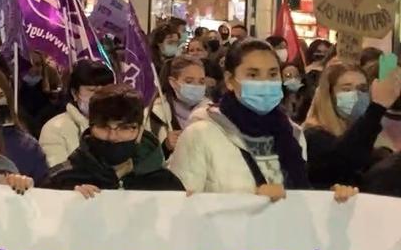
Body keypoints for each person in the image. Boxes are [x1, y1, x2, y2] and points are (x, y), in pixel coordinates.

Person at [168, 39, 357, 202]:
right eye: (253, 75)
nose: (265, 82)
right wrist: (253, 200)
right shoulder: (200, 135)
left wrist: (331, 202)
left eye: (273, 74)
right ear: (229, 80)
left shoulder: (292, 134)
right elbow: (183, 209)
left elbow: (302, 199)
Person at [40, 84, 186, 195]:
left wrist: (191, 207)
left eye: (124, 128)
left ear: (140, 130)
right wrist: (67, 200)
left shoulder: (165, 184)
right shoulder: (62, 179)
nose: (113, 136)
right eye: (103, 127)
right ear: (90, 128)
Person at [303, 62, 401, 189]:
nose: (357, 94)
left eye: (362, 89)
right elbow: (346, 159)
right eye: (346, 89)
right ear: (329, 95)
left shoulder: (360, 131)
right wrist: (377, 107)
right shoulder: (314, 135)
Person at [39, 60, 114, 166]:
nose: (100, 97)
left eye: (106, 91)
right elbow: (58, 175)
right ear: (75, 93)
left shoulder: (121, 125)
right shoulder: (54, 130)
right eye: (92, 90)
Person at [147, 56, 212, 155]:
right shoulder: (155, 115)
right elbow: (145, 159)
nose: (196, 86)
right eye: (189, 81)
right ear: (173, 82)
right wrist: (165, 147)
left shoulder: (212, 113)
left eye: (201, 82)